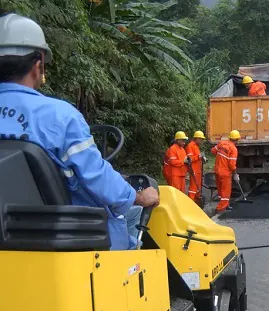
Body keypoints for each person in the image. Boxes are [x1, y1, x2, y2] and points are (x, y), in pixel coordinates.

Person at [0, 13, 159, 250]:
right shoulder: (59, 117)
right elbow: (96, 176)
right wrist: (137, 196)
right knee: (132, 216)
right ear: (38, 64)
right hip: (71, 238)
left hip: (9, 239)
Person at [211, 130, 240, 213]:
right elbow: (231, 164)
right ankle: (221, 208)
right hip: (225, 173)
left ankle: (225, 204)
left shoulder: (221, 143)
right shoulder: (233, 149)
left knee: (220, 190)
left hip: (217, 171)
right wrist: (235, 174)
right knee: (226, 191)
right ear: (237, 139)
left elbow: (213, 151)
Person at [185, 130, 208, 204]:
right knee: (193, 186)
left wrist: (202, 158)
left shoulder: (196, 146)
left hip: (198, 169)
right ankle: (190, 202)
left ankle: (197, 200)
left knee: (198, 185)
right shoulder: (190, 146)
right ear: (197, 138)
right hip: (193, 169)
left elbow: (197, 157)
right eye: (201, 139)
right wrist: (198, 157)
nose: (201, 141)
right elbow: (190, 159)